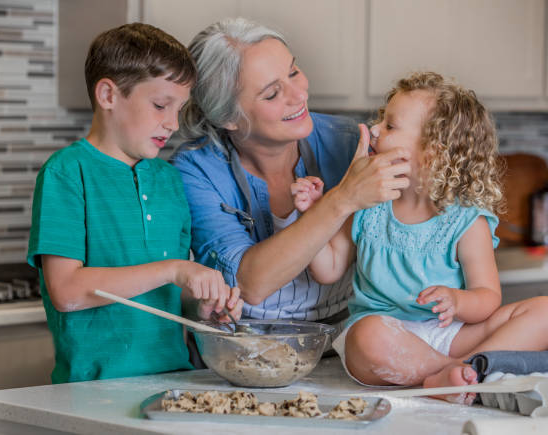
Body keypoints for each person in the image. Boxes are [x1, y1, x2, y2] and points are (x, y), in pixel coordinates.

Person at [292, 71, 548, 403]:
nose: (374, 130)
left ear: (431, 151)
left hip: (451, 333)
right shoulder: (369, 202)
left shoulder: (465, 219)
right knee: (366, 335)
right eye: (380, 120)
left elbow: (488, 297)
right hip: (390, 337)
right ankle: (462, 374)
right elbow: (329, 268)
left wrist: (458, 301)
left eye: (390, 126)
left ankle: (455, 371)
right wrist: (315, 213)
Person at [27, 23, 242, 384]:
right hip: (93, 390)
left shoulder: (170, 181)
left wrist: (201, 309)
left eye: (179, 109)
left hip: (175, 384)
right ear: (108, 95)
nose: (173, 123)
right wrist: (174, 270)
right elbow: (66, 292)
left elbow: (169, 294)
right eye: (160, 105)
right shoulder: (66, 173)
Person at [171, 18, 410, 337]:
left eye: (294, 72)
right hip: (243, 351)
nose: (299, 95)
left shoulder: (351, 142)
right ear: (228, 117)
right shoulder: (196, 171)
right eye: (272, 94)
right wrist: (344, 198)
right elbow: (251, 284)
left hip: (349, 345)